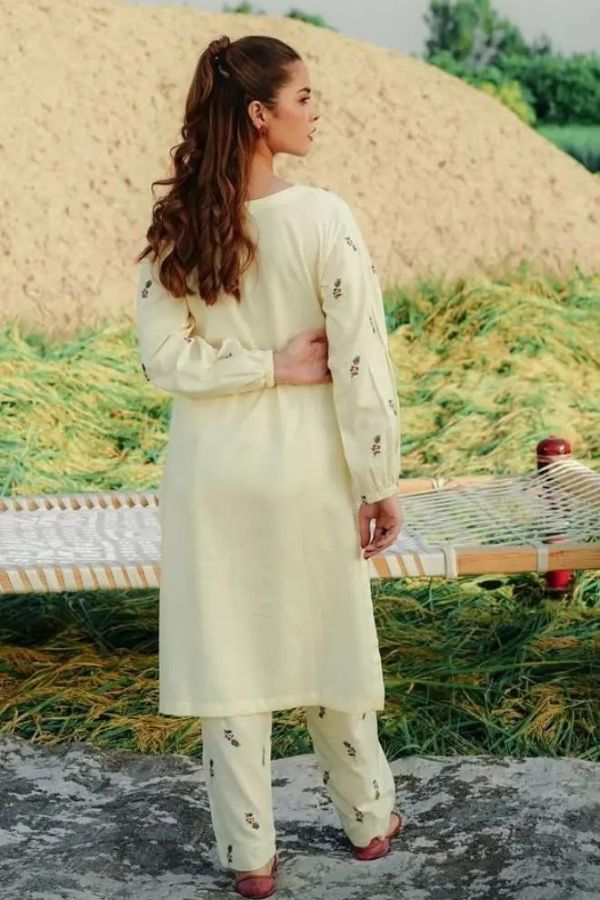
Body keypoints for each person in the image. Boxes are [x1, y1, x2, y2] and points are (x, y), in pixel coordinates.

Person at [135, 33, 404, 898]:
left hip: (209, 476)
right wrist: (378, 479)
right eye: (304, 99)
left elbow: (161, 361)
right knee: (329, 644)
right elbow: (361, 362)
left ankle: (250, 859)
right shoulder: (325, 218)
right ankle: (367, 821)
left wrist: (252, 365)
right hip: (304, 474)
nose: (317, 113)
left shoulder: (179, 222)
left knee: (230, 663)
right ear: (261, 114)